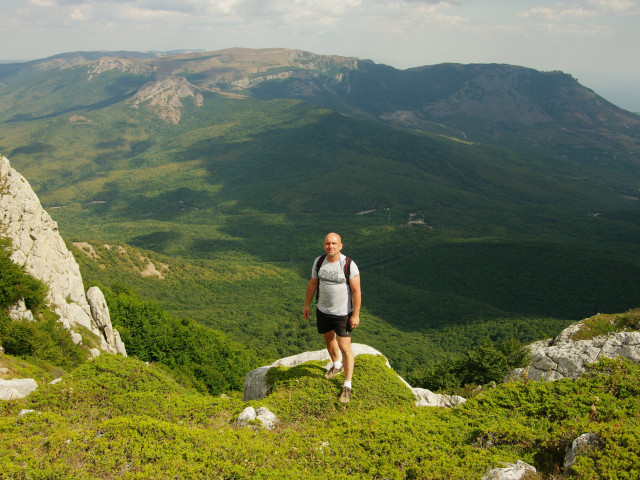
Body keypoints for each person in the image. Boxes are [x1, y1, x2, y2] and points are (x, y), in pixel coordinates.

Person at [303, 232, 361, 404]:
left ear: (340, 246)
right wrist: (307, 304)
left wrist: (356, 315)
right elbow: (313, 282)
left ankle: (347, 385)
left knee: (345, 346)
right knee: (328, 338)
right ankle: (337, 365)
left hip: (343, 313)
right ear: (324, 245)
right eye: (328, 243)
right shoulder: (319, 262)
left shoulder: (349, 265)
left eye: (334, 243)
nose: (331, 246)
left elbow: (357, 291)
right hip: (323, 310)